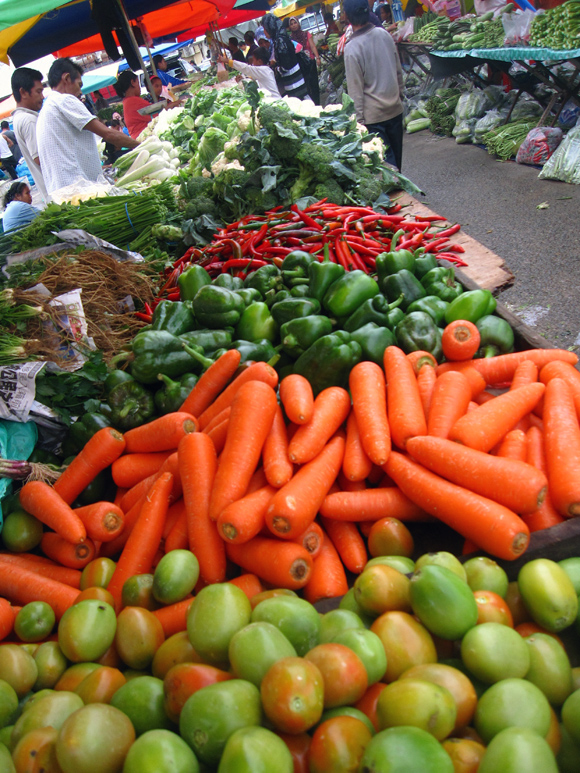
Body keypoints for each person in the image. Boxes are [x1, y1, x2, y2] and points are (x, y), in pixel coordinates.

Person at [37, 58, 139, 195]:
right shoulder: (64, 100)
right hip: (77, 190)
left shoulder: (47, 108)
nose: (80, 92)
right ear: (66, 78)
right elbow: (109, 134)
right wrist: (140, 145)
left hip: (62, 192)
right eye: (79, 85)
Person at [343, 0, 404, 170]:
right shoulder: (384, 34)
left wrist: (359, 124)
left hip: (374, 119)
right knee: (396, 165)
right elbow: (398, 70)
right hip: (395, 110)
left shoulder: (352, 48)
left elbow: (355, 91)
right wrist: (400, 95)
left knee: (388, 172)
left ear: (347, 17)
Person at [11, 66, 48, 202]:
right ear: (23, 92)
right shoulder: (28, 120)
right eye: (38, 91)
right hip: (56, 191)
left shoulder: (19, 118)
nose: (42, 97)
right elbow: (41, 159)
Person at [261, 14, 310, 101]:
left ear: (271, 27)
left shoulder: (280, 41)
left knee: (302, 104)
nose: (264, 32)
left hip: (294, 83)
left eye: (265, 29)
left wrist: (275, 69)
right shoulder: (281, 38)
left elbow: (286, 66)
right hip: (296, 81)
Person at [287, 16, 321, 104]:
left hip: (311, 62)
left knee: (314, 84)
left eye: (295, 23)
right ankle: (310, 104)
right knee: (306, 86)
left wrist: (317, 58)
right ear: (289, 27)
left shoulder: (306, 34)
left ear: (298, 23)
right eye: (291, 24)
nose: (294, 25)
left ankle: (317, 103)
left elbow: (312, 46)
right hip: (300, 65)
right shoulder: (290, 38)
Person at [115, 70, 154, 139]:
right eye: (138, 83)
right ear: (132, 82)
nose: (139, 87)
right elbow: (156, 114)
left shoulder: (127, 101)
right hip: (144, 140)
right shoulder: (133, 101)